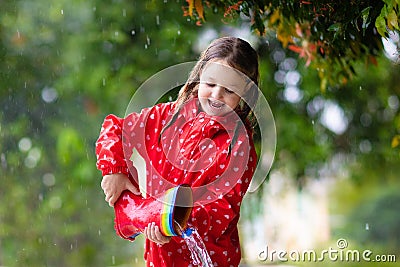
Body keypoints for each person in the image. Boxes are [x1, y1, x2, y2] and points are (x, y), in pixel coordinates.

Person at [96, 36, 260, 267]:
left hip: (210, 258)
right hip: (160, 259)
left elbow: (222, 209)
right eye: (211, 84)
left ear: (245, 92)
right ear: (199, 75)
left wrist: (170, 217)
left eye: (229, 90)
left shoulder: (238, 143)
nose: (216, 96)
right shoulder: (167, 118)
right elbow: (115, 129)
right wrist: (114, 170)